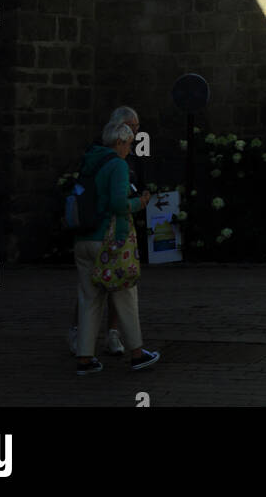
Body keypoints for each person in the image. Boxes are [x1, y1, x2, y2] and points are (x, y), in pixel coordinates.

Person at [73, 115, 160, 375]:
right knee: (125, 294)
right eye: (129, 143)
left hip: (83, 239)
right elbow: (119, 204)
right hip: (110, 241)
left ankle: (85, 358)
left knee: (89, 299)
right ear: (120, 141)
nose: (130, 149)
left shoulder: (89, 161)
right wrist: (140, 203)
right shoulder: (118, 166)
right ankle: (137, 353)